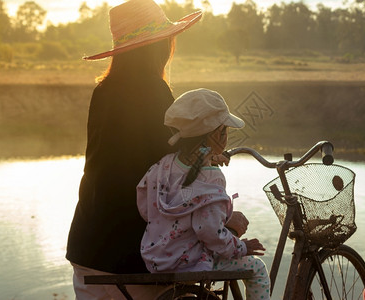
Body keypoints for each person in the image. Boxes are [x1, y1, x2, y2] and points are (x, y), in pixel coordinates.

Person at [64, 1, 213, 299]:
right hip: (134, 253)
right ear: (158, 46)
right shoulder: (154, 92)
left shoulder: (103, 91)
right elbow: (174, 171)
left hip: (88, 245)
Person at [137, 88, 271, 300]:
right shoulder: (211, 178)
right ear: (217, 134)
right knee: (257, 269)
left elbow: (146, 209)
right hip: (190, 262)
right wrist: (241, 247)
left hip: (157, 260)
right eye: (225, 130)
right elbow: (211, 232)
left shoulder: (162, 167)